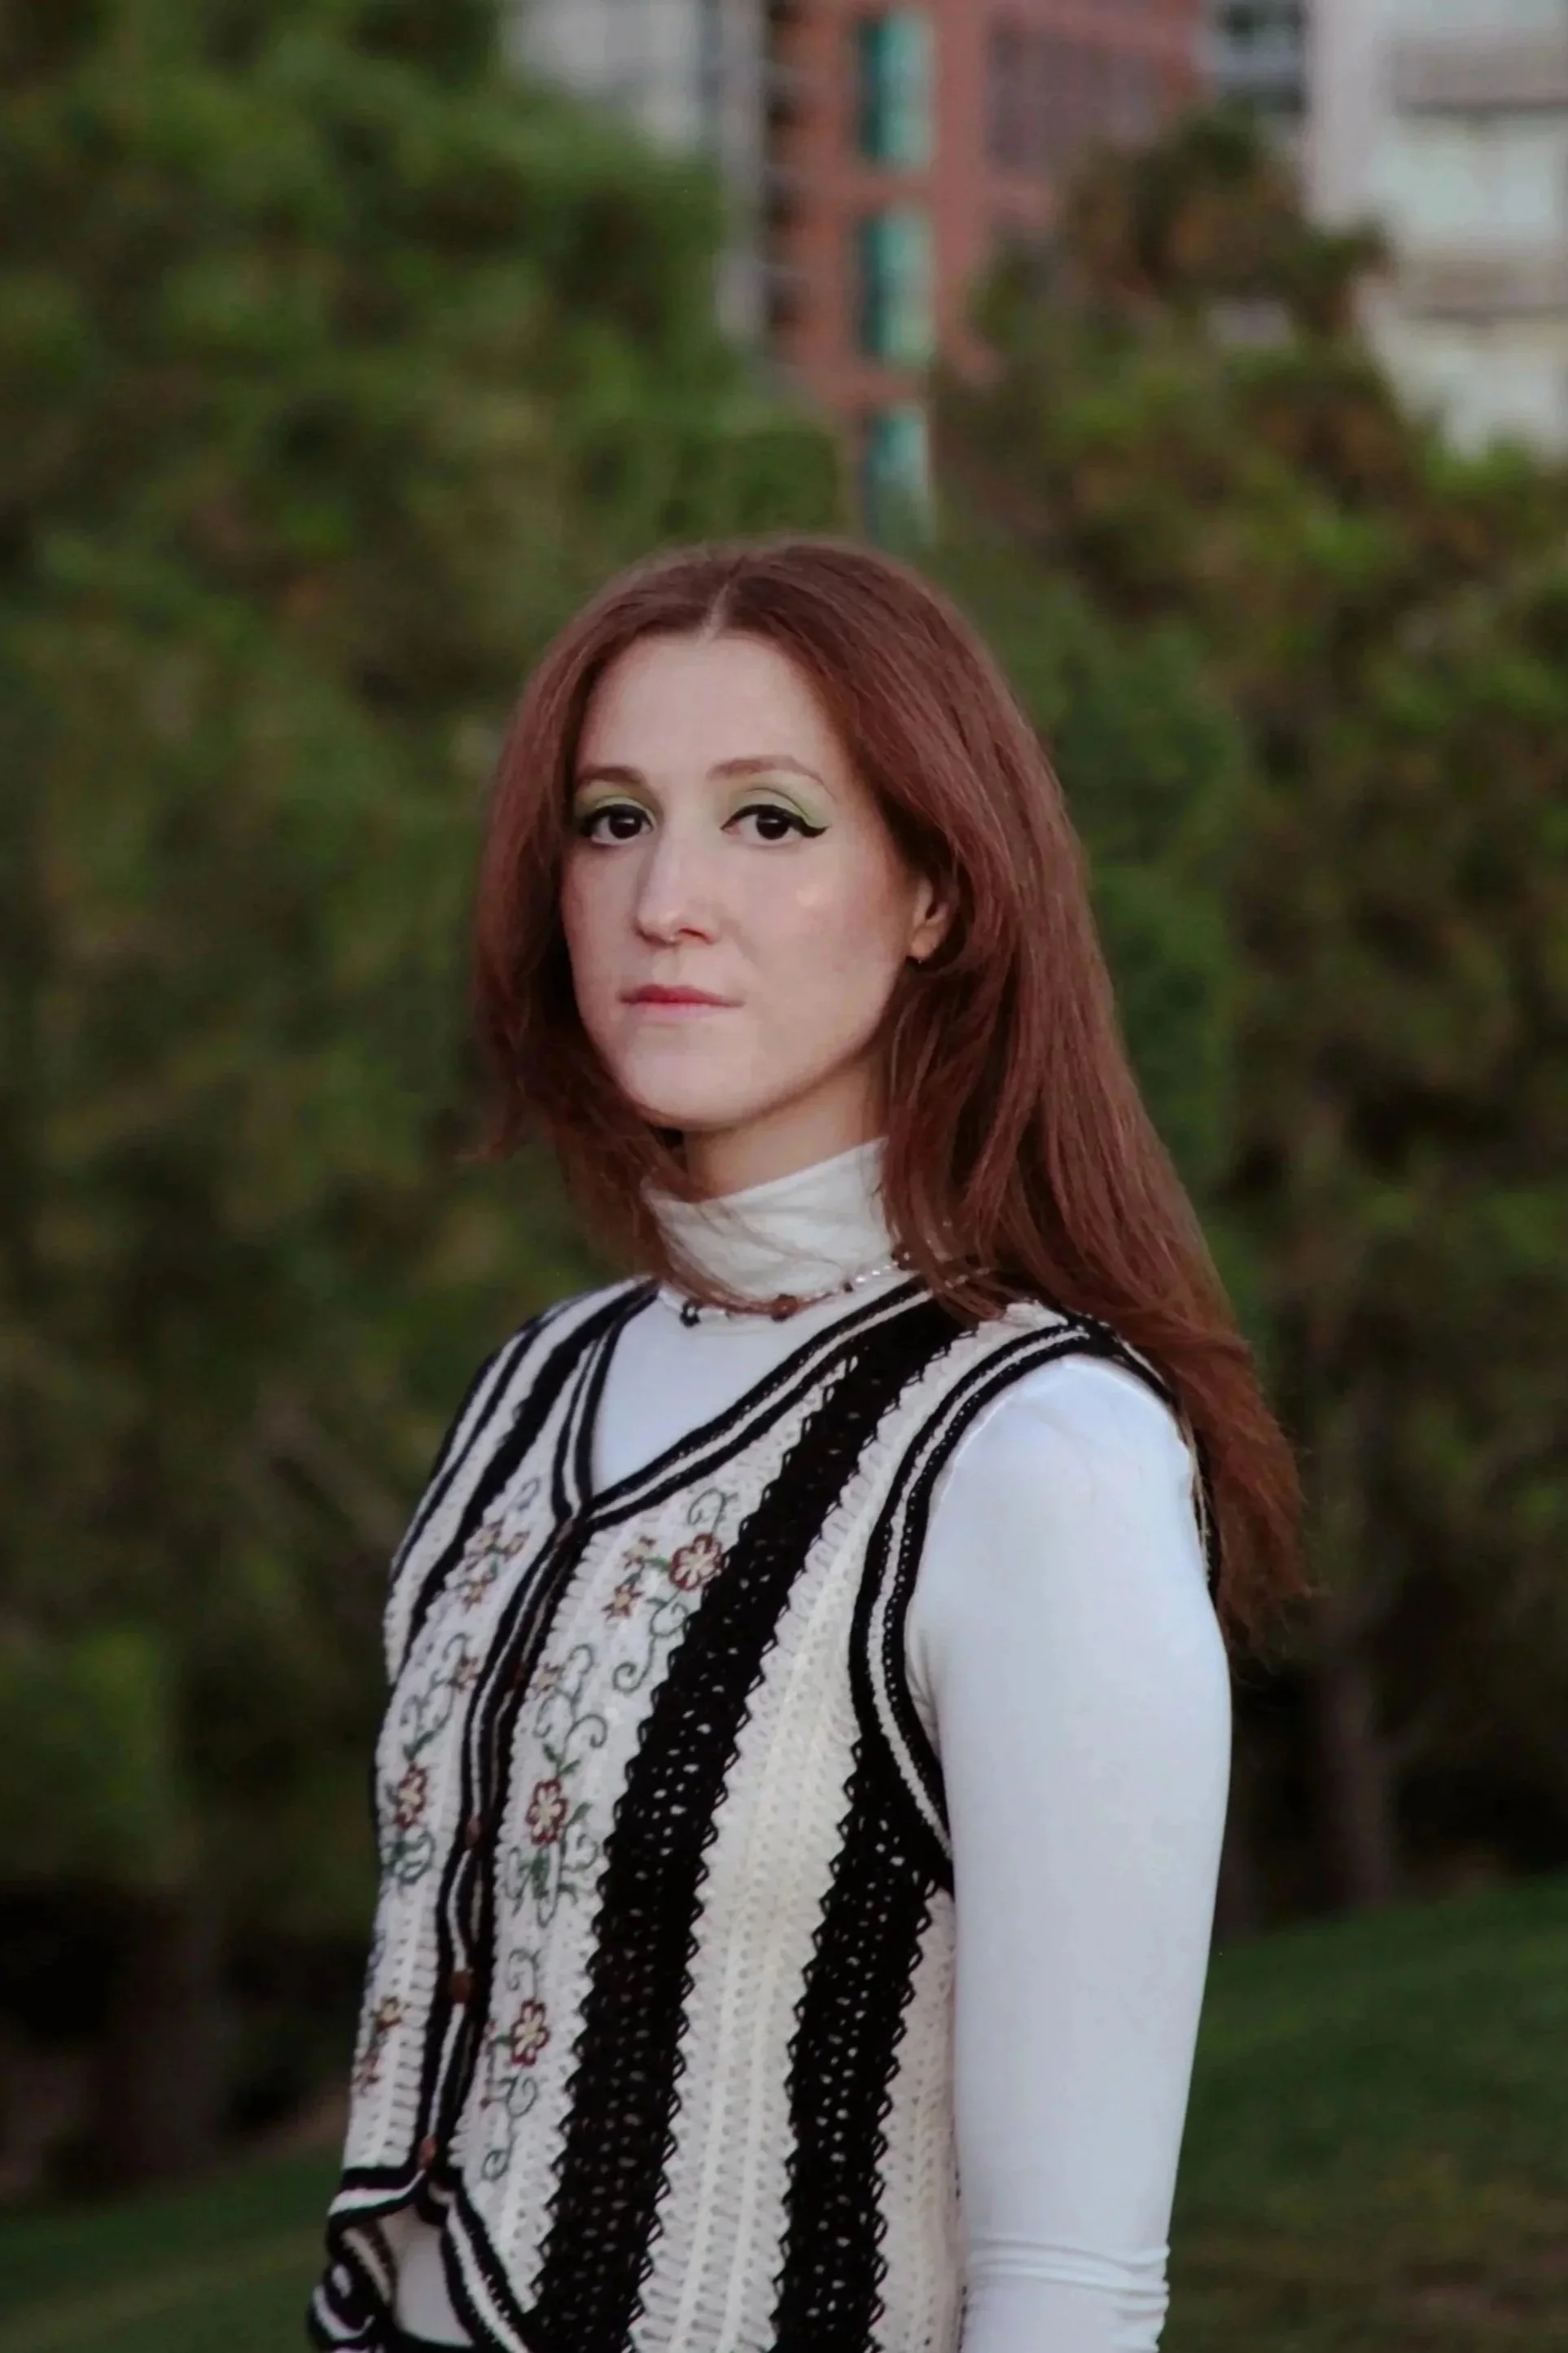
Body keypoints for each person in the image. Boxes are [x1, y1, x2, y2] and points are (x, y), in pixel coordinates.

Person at [309, 537, 1300, 2353]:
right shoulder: (532, 1388)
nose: (664, 897)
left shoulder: (1037, 1455)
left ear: (935, 890)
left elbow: (1073, 2288)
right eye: (612, 820)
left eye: (768, 820)